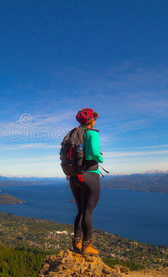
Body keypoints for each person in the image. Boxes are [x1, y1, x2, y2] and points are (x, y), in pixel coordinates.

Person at [70, 108, 103, 256]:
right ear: (92, 121)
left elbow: (61, 154)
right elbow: (95, 152)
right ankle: (87, 246)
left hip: (74, 177)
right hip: (90, 176)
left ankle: (76, 243)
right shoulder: (92, 133)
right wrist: (101, 158)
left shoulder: (72, 135)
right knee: (88, 212)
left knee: (80, 211)